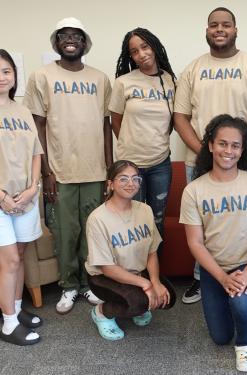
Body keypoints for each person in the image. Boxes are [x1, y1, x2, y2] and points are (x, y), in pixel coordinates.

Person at [174, 7, 247, 304]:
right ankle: (201, 279)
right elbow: (180, 117)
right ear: (206, 30)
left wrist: (237, 154)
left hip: (245, 161)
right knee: (204, 224)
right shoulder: (192, 69)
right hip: (200, 160)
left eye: (226, 25)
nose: (220, 29)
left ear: (235, 30)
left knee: (244, 222)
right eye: (214, 25)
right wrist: (206, 153)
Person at [23, 17, 113, 314]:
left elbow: (105, 125)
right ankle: (69, 286)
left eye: (77, 36)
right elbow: (37, 125)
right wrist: (46, 172)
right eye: (64, 36)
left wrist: (109, 170)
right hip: (59, 171)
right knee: (65, 232)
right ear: (57, 42)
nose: (71, 40)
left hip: (95, 170)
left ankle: (90, 285)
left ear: (85, 43)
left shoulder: (100, 79)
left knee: (92, 231)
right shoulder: (41, 76)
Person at [179, 115, 247, 372]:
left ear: (242, 149)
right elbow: (195, 243)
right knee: (220, 337)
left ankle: (245, 343)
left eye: (235, 145)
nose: (229, 151)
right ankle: (235, 296)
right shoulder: (194, 190)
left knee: (242, 306)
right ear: (210, 146)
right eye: (222, 144)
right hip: (214, 270)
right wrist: (223, 278)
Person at [85, 160, 176, 341]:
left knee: (168, 297)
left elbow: (151, 251)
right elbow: (107, 268)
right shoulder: (97, 219)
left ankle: (137, 303)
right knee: (140, 302)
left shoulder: (145, 210)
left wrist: (156, 281)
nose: (131, 183)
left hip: (136, 271)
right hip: (104, 277)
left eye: (135, 179)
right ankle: (101, 312)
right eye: (123, 179)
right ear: (110, 184)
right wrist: (147, 285)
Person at [109, 28, 176, 249]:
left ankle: (155, 272)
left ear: (155, 46)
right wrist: (131, 144)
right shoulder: (124, 82)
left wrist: (154, 140)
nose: (141, 54)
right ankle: (134, 273)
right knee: (132, 220)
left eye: (145, 47)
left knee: (157, 220)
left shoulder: (170, 81)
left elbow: (175, 120)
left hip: (160, 164)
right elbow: (115, 120)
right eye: (135, 51)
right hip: (130, 167)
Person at [0, 49, 43, 346]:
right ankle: (8, 324)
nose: (1, 77)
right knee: (10, 260)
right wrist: (1, 196)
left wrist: (32, 189)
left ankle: (14, 309)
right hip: (1, 202)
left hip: (26, 198)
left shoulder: (22, 110)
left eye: (6, 71)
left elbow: (36, 153)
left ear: (14, 76)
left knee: (22, 254)